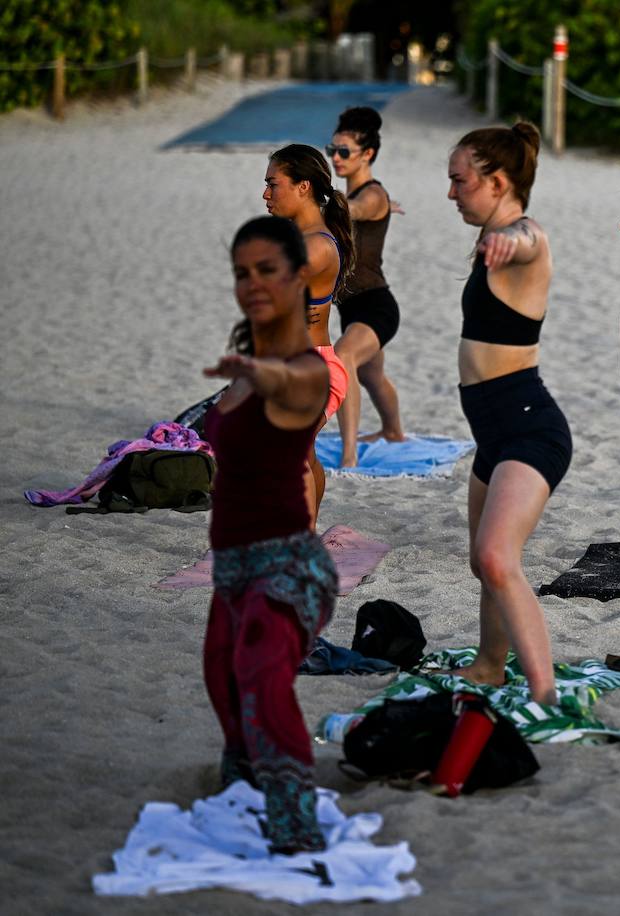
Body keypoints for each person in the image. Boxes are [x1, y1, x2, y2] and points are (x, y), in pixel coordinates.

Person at [202, 216, 337, 854]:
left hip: (292, 567)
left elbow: (299, 387)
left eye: (267, 270)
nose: (252, 282)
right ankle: (248, 788)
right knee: (226, 689)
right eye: (241, 272)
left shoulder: (303, 369)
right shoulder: (248, 365)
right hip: (229, 569)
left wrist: (265, 377)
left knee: (259, 669)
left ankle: (296, 826)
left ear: (296, 277)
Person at [447, 122, 571, 707]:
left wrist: (507, 241)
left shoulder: (527, 237)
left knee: (499, 558)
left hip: (529, 428)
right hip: (493, 435)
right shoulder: (491, 234)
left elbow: (526, 236)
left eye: (460, 181)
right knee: (483, 563)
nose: (452, 193)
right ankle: (491, 664)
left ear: (497, 182)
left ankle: (543, 693)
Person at [263, 143, 356, 514]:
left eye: (274, 183)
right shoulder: (303, 240)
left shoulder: (314, 247)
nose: (266, 193)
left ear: (303, 187)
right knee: (305, 454)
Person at [328, 107, 406, 468]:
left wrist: (312, 198)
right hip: (351, 308)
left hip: (376, 306)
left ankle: (348, 456)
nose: (336, 158)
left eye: (344, 152)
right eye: (332, 150)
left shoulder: (371, 195)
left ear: (368, 154)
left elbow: (355, 208)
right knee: (371, 375)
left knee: (343, 357)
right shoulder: (371, 197)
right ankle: (393, 431)